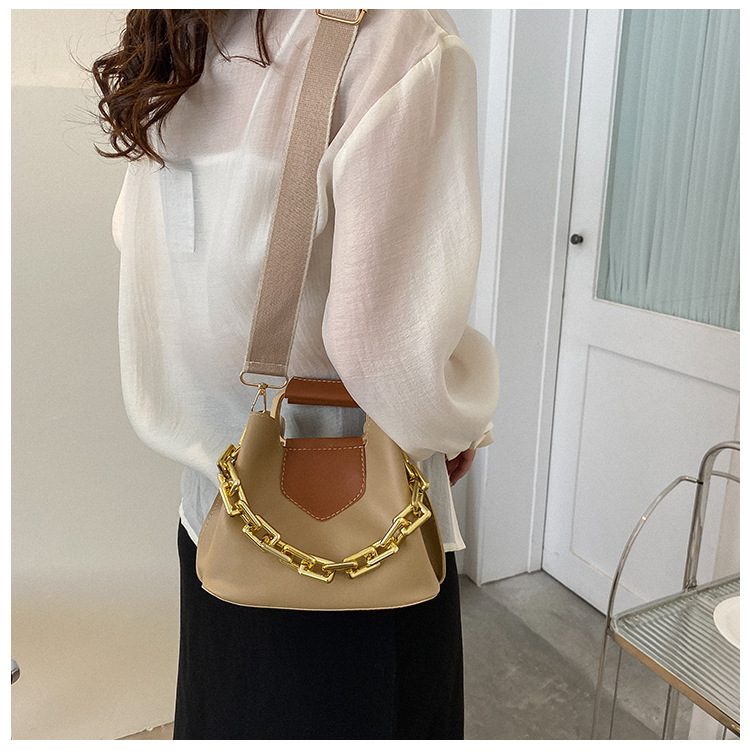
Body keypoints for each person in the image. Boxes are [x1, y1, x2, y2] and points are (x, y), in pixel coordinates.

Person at [92, 9, 499, 740]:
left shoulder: (185, 33)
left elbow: (140, 246)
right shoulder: (398, 38)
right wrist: (458, 423)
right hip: (367, 527)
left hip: (216, 511)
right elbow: (383, 350)